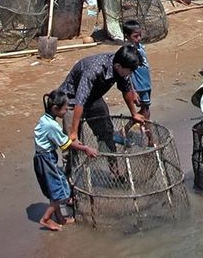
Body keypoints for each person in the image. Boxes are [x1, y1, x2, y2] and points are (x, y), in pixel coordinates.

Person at [58, 46, 143, 157]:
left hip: (94, 98)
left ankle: (114, 171)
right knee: (72, 143)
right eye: (130, 71)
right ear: (118, 66)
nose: (131, 74)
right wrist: (74, 132)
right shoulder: (94, 70)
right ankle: (70, 171)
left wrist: (134, 113)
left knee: (107, 134)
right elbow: (80, 100)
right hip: (71, 100)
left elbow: (126, 89)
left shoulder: (121, 65)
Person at [33, 89, 98, 231]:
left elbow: (61, 141)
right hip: (47, 159)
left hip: (41, 157)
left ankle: (60, 218)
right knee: (61, 190)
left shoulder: (45, 119)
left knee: (54, 188)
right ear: (55, 109)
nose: (66, 112)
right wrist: (85, 148)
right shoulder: (52, 126)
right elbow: (65, 144)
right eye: (64, 109)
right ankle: (45, 219)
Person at [123, 20, 152, 121]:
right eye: (135, 36)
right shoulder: (127, 51)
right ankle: (149, 135)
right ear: (127, 36)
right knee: (145, 111)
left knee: (145, 109)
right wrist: (133, 90)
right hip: (139, 85)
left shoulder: (140, 47)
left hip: (146, 82)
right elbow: (126, 74)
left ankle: (128, 130)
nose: (139, 38)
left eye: (140, 35)